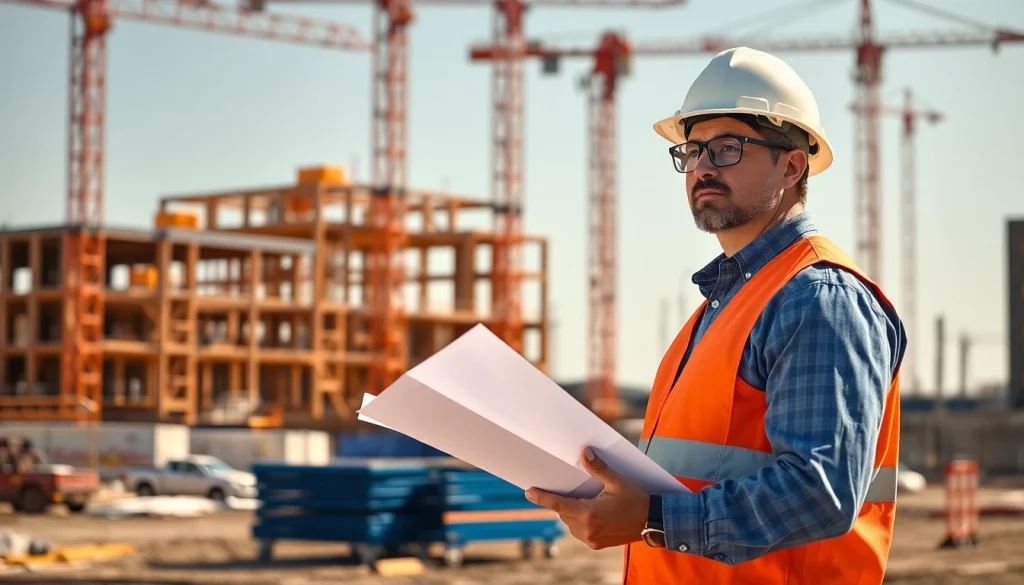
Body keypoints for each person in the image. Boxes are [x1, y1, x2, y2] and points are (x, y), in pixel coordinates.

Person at [525, 46, 907, 584]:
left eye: (728, 148)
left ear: (792, 165)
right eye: (693, 150)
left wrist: (653, 519)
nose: (702, 167)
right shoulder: (723, 305)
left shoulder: (818, 297)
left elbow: (821, 492)